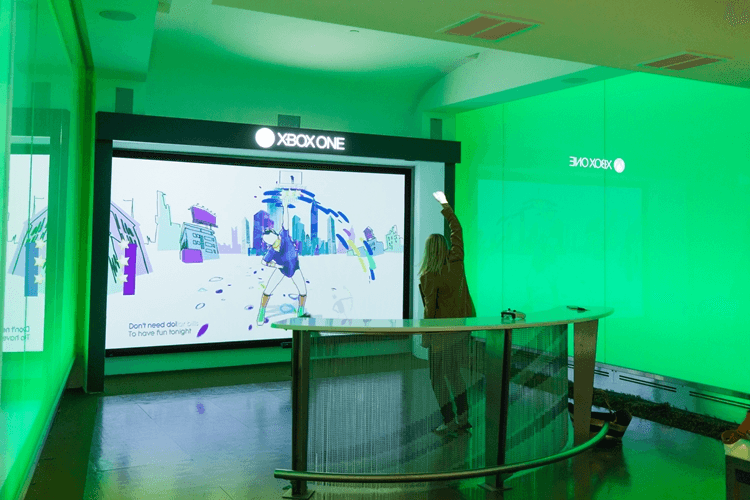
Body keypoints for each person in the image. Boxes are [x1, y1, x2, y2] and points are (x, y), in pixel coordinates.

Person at [419, 191, 476, 434]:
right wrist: (445, 205)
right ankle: (463, 417)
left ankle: (449, 420)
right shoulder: (457, 262)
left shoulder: (429, 276)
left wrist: (425, 338)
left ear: (428, 252)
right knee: (454, 374)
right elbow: (457, 230)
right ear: (444, 248)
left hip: (441, 336)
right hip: (461, 331)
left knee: (437, 378)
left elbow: (430, 311)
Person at [257, 193, 308, 325]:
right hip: (281, 270)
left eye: (272, 239)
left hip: (295, 269)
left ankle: (301, 310)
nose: (272, 243)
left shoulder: (284, 236)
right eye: (268, 241)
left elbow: (286, 221)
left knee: (303, 291)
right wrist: (276, 266)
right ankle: (262, 311)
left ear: (276, 235)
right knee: (267, 290)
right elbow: (263, 261)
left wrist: (285, 206)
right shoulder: (272, 251)